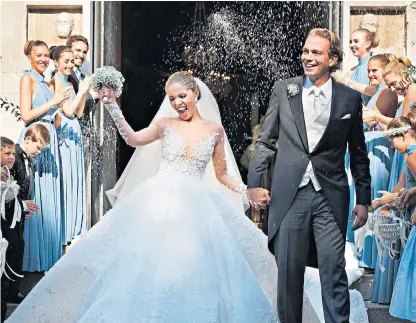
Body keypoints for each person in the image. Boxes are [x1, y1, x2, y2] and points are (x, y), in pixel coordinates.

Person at [6, 71, 281, 322]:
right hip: (157, 202)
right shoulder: (164, 124)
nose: (177, 103)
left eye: (182, 96)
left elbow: (222, 174)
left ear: (196, 94)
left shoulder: (214, 130)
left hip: (197, 206)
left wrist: (247, 190)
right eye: (172, 98)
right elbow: (133, 139)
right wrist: (112, 105)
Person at [247, 28, 371, 323]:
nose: (308, 57)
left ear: (333, 59)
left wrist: (363, 199)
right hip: (290, 197)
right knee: (289, 274)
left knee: (334, 272)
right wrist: (253, 185)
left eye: (316, 52)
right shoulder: (284, 88)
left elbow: (358, 152)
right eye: (305, 51)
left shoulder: (349, 99)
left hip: (331, 197)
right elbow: (265, 142)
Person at [19, 40, 71, 272]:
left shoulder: (50, 81)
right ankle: (33, 260)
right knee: (37, 195)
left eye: (45, 56)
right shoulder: (27, 79)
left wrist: (58, 107)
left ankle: (49, 258)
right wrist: (52, 102)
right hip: (36, 136)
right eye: (37, 55)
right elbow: (25, 114)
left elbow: (62, 114)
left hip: (51, 140)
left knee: (50, 197)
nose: (42, 59)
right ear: (29, 57)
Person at [52, 45, 90, 246]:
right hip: (65, 132)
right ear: (56, 62)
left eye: (70, 61)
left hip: (74, 130)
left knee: (75, 177)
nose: (68, 65)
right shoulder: (57, 82)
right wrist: (82, 90)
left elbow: (79, 113)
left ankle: (76, 229)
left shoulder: (69, 81)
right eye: (64, 61)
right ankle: (66, 229)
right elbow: (67, 111)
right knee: (67, 177)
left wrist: (82, 92)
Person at [380, 113, 416, 322]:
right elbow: (403, 188)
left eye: (392, 139)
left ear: (404, 135)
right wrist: (382, 204)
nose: (391, 145)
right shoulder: (408, 155)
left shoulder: (412, 156)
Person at [66, 35, 97, 174]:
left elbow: (85, 104)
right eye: (77, 50)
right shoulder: (64, 74)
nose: (81, 55)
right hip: (70, 132)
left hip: (84, 131)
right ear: (69, 50)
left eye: (84, 52)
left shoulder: (83, 76)